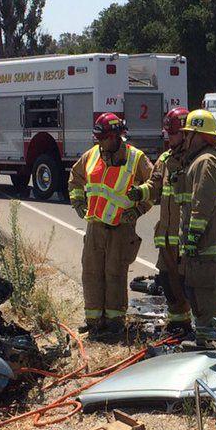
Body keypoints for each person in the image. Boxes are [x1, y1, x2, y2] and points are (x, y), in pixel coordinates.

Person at [68, 113, 153, 340]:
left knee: (115, 274)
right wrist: (78, 202)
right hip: (95, 226)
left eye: (104, 138)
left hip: (121, 227)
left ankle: (115, 322)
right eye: (98, 139)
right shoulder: (91, 155)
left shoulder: (136, 158)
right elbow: (75, 177)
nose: (100, 143)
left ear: (115, 137)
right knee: (92, 273)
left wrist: (138, 209)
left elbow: (155, 186)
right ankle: (94, 322)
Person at [129, 107, 192, 337]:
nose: (169, 137)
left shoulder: (193, 160)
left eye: (173, 133)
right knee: (166, 280)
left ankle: (191, 325)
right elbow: (154, 186)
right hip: (165, 235)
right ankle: (178, 323)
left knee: (186, 284)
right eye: (167, 133)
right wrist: (140, 192)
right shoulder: (165, 159)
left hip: (183, 237)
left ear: (185, 132)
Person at [174, 109, 216, 342]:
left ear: (197, 134)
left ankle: (209, 345)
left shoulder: (205, 162)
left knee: (204, 297)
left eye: (188, 134)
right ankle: (211, 339)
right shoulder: (201, 160)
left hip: (204, 246)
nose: (185, 139)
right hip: (206, 245)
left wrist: (192, 238)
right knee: (206, 294)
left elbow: (201, 205)